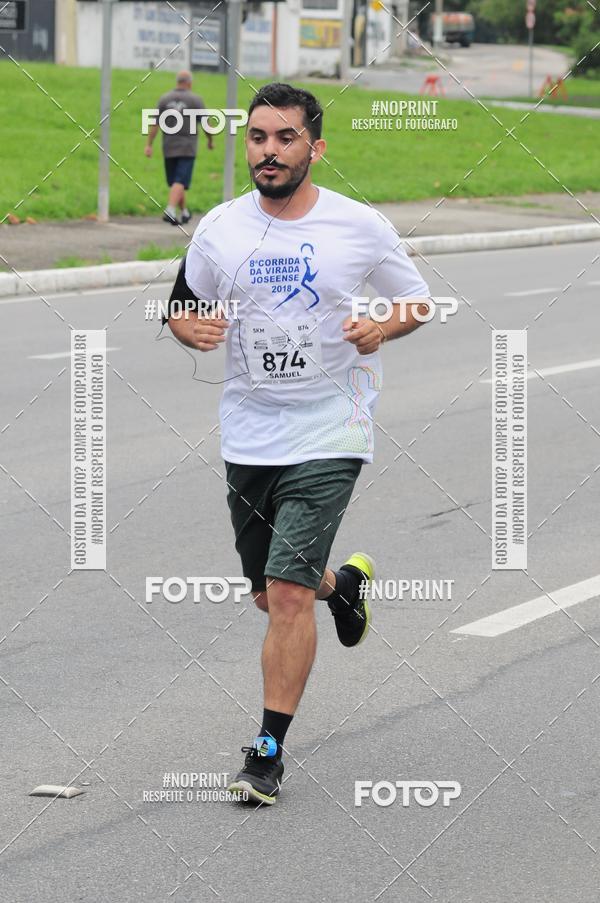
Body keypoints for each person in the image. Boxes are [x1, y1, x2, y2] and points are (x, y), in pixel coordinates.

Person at [165, 82, 431, 805]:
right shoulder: (220, 227)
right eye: (258, 137)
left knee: (285, 594)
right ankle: (341, 588)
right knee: (270, 592)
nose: (270, 151)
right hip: (250, 432)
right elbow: (183, 303)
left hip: (332, 425)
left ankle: (267, 755)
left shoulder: (358, 225)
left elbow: (417, 300)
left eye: (286, 138)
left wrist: (381, 327)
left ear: (315, 147)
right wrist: (186, 327)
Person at [144, 70, 213, 225]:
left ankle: (184, 212)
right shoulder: (195, 100)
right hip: (187, 148)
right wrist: (210, 140)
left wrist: (149, 145)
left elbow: (155, 124)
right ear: (189, 83)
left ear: (177, 81)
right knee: (180, 181)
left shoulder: (164, 99)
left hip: (168, 147)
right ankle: (170, 210)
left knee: (176, 182)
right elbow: (206, 124)